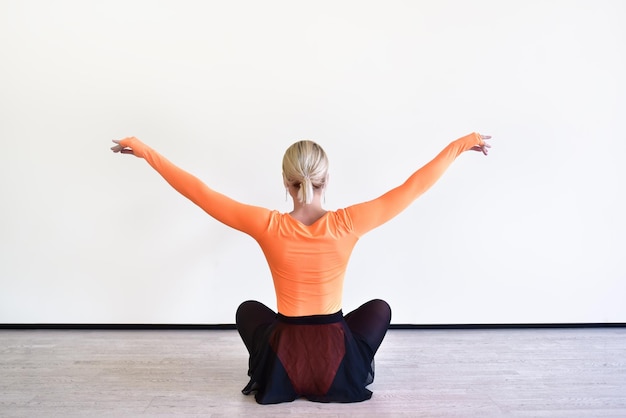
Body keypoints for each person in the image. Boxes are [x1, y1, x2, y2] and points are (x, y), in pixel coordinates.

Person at [111, 132, 491, 404]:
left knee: (247, 311)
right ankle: (335, 378)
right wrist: (462, 144)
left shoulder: (267, 224)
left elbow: (200, 193)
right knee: (380, 308)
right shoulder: (348, 223)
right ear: (326, 180)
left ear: (286, 182)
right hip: (337, 358)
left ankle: (281, 378)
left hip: (284, 359)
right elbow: (413, 187)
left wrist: (144, 150)